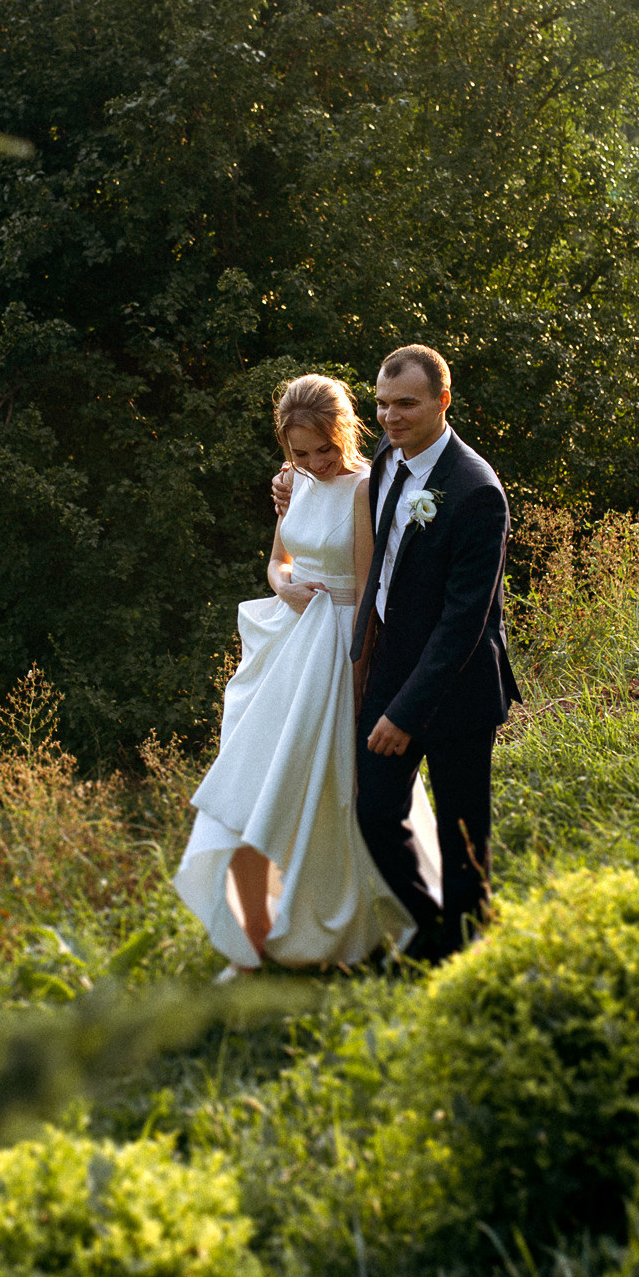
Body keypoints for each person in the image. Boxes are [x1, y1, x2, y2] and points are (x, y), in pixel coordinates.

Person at [173, 375, 439, 971]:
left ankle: (363, 930)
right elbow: (276, 563)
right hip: (290, 650)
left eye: (324, 448)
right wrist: (287, 589)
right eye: (301, 452)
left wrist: (360, 685)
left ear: (343, 431)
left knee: (333, 798)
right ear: (286, 449)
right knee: (247, 792)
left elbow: (371, 596)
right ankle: (252, 947)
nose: (315, 462)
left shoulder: (366, 488)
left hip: (342, 653)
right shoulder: (291, 483)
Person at [270, 344, 520, 961]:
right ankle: (432, 928)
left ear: (443, 399)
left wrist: (404, 713)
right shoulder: (385, 460)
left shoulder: (476, 490)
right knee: (376, 811)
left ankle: (468, 955)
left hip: (455, 685)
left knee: (463, 835)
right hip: (388, 668)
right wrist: (289, 481)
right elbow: (339, 491)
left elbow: (465, 623)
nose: (390, 416)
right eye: (382, 404)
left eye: (405, 404)